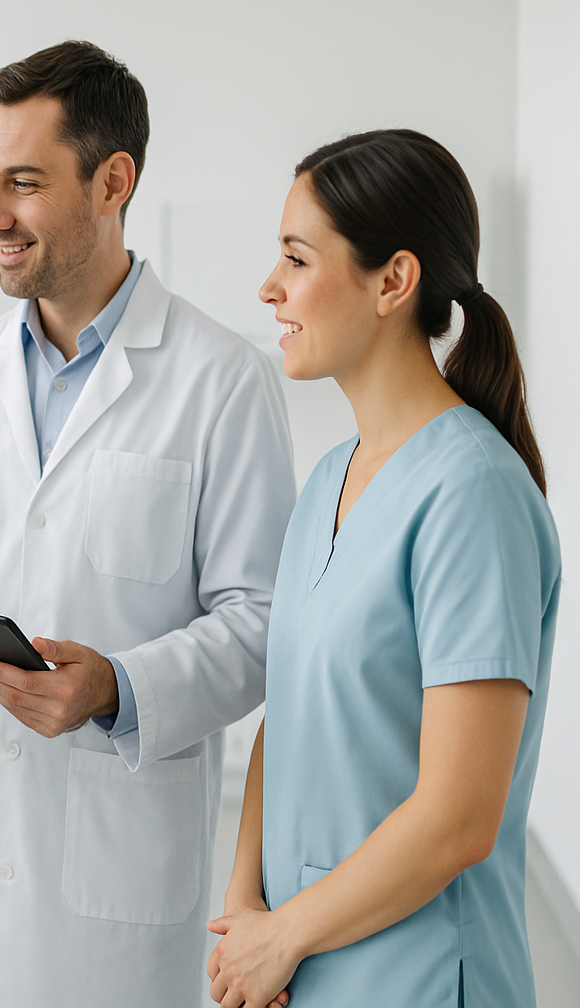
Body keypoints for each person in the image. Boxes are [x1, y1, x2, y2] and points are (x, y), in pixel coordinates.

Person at [0, 40, 296, 1005]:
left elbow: (265, 620)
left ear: (114, 182)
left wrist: (119, 687)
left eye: (22, 183)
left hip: (119, 879)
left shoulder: (222, 382)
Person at [207, 130, 561, 1008]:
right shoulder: (330, 477)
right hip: (303, 963)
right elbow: (283, 719)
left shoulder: (472, 493)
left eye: (296, 257)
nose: (269, 287)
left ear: (393, 282)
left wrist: (282, 935)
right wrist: (244, 906)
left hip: (419, 975)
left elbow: (458, 819)